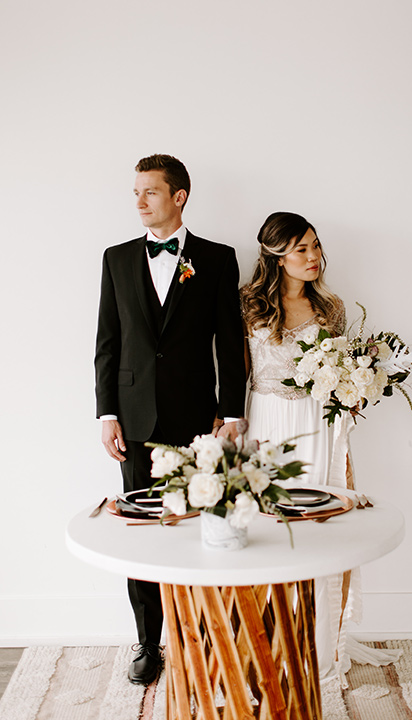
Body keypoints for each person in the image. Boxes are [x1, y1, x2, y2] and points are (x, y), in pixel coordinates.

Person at [95, 154, 246, 685]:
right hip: (133, 421)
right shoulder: (115, 259)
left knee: (203, 530)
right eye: (136, 192)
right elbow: (107, 346)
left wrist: (232, 411)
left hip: (196, 421)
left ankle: (202, 635)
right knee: (140, 533)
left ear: (178, 196)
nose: (138, 201)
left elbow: (231, 343)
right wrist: (108, 413)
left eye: (150, 192)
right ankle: (148, 643)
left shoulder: (218, 259)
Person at [242, 211, 401, 684]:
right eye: (301, 250)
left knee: (320, 529)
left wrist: (354, 391)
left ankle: (318, 643)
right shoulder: (248, 305)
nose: (313, 257)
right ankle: (268, 640)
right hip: (266, 423)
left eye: (315, 246)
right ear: (276, 257)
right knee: (269, 531)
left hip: (318, 424)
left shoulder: (331, 308)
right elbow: (231, 370)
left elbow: (341, 375)